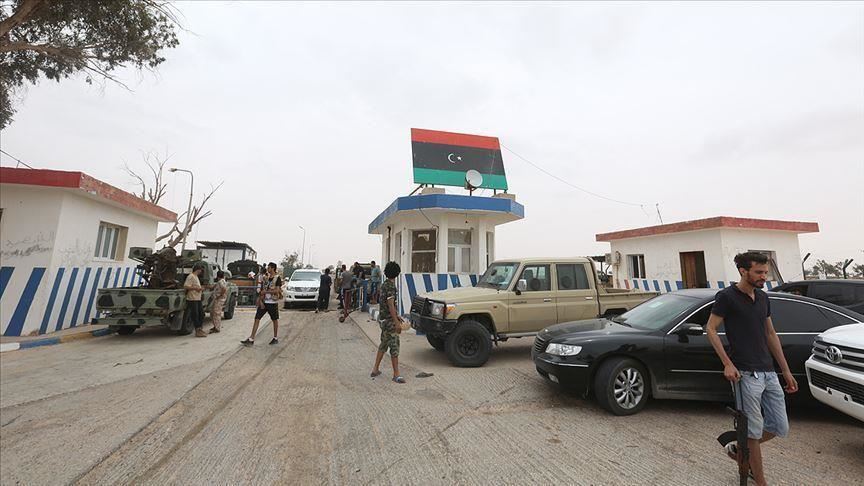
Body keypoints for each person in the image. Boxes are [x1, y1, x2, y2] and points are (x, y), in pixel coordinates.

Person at [706, 252, 797, 486]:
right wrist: (727, 363)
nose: (763, 276)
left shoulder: (763, 297)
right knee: (753, 431)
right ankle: (760, 481)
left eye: (765, 272)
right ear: (743, 271)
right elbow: (711, 329)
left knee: (779, 426)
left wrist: (785, 370)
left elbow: (770, 334)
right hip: (745, 374)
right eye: (758, 272)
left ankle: (739, 448)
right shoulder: (727, 297)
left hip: (768, 372)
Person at [371, 261, 406, 383]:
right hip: (390, 322)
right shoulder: (391, 286)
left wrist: (397, 316)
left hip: (384, 320)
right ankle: (396, 374)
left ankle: (375, 369)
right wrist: (396, 322)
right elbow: (390, 304)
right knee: (394, 346)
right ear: (397, 273)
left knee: (383, 344)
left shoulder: (384, 285)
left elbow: (387, 304)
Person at [241, 262, 282, 346]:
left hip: (272, 302)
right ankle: (251, 338)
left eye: (269, 268)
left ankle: (275, 338)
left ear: (273, 268)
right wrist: (260, 300)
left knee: (274, 320)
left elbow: (277, 290)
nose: (267, 269)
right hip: (264, 302)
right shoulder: (266, 278)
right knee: (257, 318)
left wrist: (266, 292)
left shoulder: (277, 278)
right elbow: (262, 290)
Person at [184, 264, 208, 338]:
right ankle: (198, 330)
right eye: (200, 270)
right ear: (198, 269)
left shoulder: (196, 276)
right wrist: (196, 288)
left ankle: (200, 328)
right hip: (192, 298)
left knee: (202, 314)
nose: (201, 272)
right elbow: (186, 286)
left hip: (197, 298)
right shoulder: (191, 276)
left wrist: (200, 288)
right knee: (195, 315)